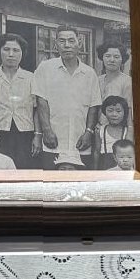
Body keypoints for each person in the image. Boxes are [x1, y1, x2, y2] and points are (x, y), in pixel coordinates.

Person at [32, 25, 101, 170]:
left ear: (79, 43)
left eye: (71, 40)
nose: (67, 45)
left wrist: (88, 132)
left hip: (80, 142)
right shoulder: (45, 68)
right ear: (56, 44)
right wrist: (46, 131)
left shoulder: (89, 73)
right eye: (62, 41)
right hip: (53, 141)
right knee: (51, 180)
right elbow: (41, 102)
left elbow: (93, 106)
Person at [0, 33, 37, 168]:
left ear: (22, 53)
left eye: (16, 50)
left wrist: (37, 136)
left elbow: (36, 109)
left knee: (23, 170)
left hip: (25, 133)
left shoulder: (31, 78)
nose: (11, 54)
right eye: (6, 49)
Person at [96, 95, 131, 169]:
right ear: (104, 112)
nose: (114, 114)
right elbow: (96, 152)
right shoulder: (100, 130)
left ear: (124, 113)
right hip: (105, 168)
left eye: (118, 111)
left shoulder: (127, 132)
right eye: (110, 110)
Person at [96, 41, 133, 110]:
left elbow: (129, 110)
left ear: (122, 59)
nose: (112, 60)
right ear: (102, 57)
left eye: (116, 57)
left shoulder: (128, 82)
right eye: (107, 56)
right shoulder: (97, 80)